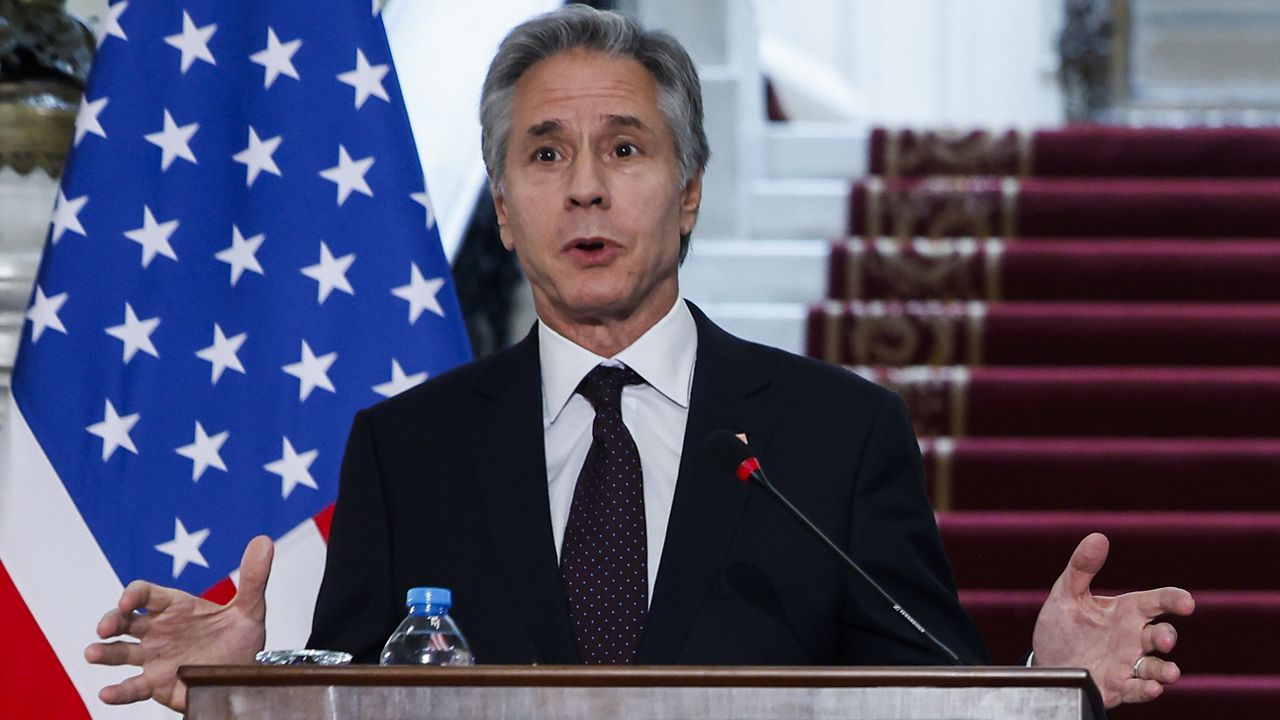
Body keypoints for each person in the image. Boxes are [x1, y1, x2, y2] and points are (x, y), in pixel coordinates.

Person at [85, 5, 1194, 713]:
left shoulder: (836, 434)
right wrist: (240, 692)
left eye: (624, 149)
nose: (584, 188)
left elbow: (927, 698)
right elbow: (371, 705)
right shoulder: (406, 447)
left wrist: (1045, 687)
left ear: (689, 193)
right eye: (543, 154)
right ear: (507, 214)